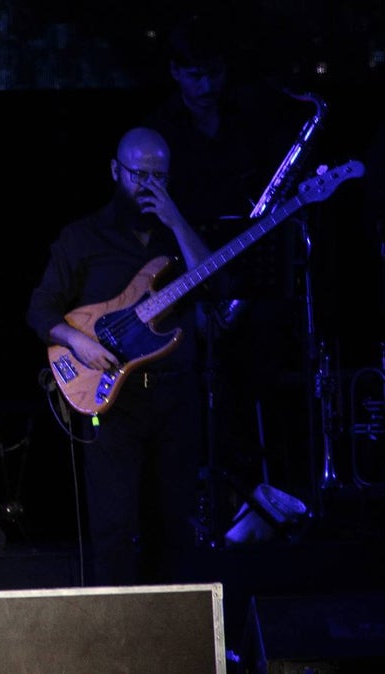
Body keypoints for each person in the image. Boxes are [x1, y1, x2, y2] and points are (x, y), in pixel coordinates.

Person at [26, 127, 222, 586]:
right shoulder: (82, 237)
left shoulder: (180, 236)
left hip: (176, 397)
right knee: (114, 528)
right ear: (116, 170)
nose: (149, 185)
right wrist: (80, 343)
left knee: (175, 526)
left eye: (159, 176)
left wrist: (176, 222)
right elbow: (40, 309)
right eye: (139, 174)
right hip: (114, 401)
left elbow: (215, 285)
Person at [140, 10, 303, 532]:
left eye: (213, 72)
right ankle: (219, 502)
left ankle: (273, 494)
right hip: (187, 281)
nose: (205, 85)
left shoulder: (245, 120)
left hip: (248, 277)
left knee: (265, 376)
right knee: (204, 392)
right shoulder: (163, 130)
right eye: (193, 75)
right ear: (174, 72)